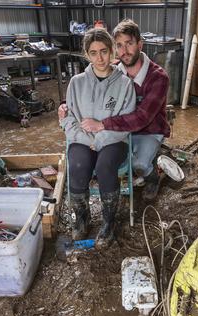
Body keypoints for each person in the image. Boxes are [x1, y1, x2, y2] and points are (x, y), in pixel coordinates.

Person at [60, 19, 170, 202]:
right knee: (103, 160)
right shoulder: (116, 70)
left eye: (130, 44)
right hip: (119, 130)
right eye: (119, 45)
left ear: (140, 44)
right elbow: (90, 89)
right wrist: (65, 105)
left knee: (138, 163)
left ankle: (152, 177)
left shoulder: (158, 77)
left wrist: (102, 125)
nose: (125, 51)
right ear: (115, 49)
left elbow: (141, 118)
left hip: (148, 129)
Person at [60, 28, 136, 249]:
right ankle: (82, 218)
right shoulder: (76, 82)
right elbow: (69, 119)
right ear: (87, 55)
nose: (100, 58)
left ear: (112, 51)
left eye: (104, 51)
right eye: (93, 53)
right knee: (77, 164)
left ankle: (108, 224)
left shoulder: (125, 84)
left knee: (104, 166)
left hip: (114, 141)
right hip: (83, 139)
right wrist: (87, 140)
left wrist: (100, 140)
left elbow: (127, 122)